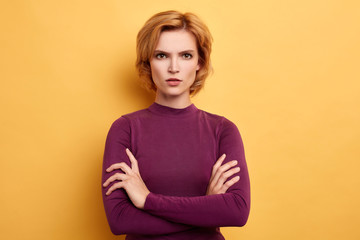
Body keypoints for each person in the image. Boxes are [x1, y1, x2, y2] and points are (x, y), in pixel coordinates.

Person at [102, 10, 250, 240]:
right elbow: (119, 219)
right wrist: (206, 209)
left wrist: (147, 200)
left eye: (185, 55)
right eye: (161, 55)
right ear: (148, 62)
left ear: (200, 63)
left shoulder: (223, 130)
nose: (173, 67)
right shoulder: (125, 129)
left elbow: (237, 212)